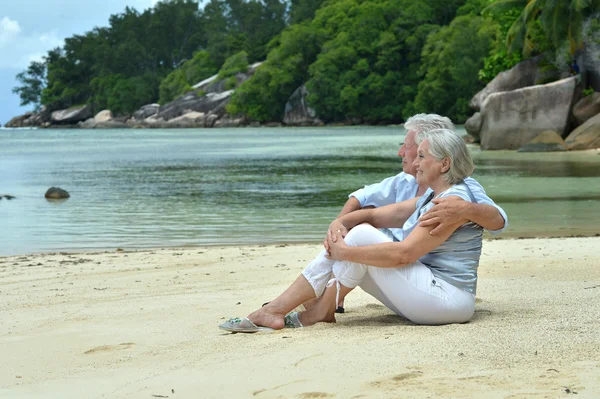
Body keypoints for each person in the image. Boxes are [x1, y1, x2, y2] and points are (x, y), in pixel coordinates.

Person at [220, 128, 498, 332]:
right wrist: (340, 223)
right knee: (360, 234)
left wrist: (345, 251)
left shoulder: (450, 203)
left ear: (444, 163)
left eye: (422, 156)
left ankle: (287, 309)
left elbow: (405, 253)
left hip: (447, 301)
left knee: (362, 238)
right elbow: (378, 215)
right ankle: (311, 309)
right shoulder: (434, 195)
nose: (414, 162)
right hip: (434, 298)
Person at [327, 114, 506, 312]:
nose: (401, 152)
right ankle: (325, 297)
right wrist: (338, 227)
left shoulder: (462, 188)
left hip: (425, 275)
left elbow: (498, 220)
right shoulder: (406, 181)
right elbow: (360, 199)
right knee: (361, 220)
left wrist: (465, 209)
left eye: (409, 146)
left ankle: (318, 302)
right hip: (408, 268)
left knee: (360, 234)